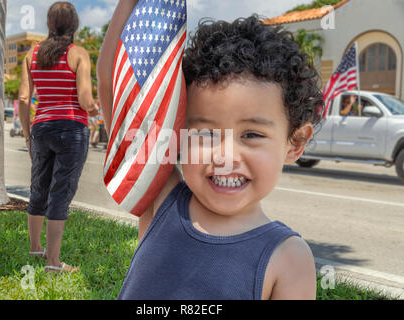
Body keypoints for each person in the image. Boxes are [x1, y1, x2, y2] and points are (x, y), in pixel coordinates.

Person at [99, 2, 323, 300]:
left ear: (294, 142)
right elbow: (115, 87)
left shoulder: (289, 259)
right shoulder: (161, 197)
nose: (225, 155)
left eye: (252, 134)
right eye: (205, 133)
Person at [18, 1, 99, 273]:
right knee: (60, 193)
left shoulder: (33, 54)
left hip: (41, 128)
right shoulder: (78, 54)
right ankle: (53, 262)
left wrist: (28, 135)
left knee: (38, 188)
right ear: (74, 26)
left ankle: (35, 248)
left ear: (49, 25)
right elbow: (84, 100)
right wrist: (96, 107)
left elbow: (23, 98)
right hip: (71, 128)